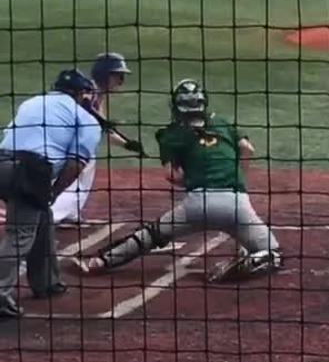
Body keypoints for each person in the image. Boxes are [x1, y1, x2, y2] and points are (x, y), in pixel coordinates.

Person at [74, 79, 281, 282]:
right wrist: (237, 176)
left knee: (151, 235)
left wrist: (193, 180)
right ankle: (244, 265)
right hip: (237, 205)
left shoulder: (170, 134)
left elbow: (172, 175)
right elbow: (247, 149)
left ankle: (99, 262)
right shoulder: (223, 124)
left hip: (197, 205)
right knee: (272, 252)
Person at [0, 69, 103, 317]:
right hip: (28, 172)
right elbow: (75, 165)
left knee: (42, 215)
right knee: (20, 234)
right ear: (82, 94)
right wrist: (53, 192)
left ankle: (46, 281)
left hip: (1, 164)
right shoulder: (86, 120)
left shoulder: (33, 102)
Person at [51, 51, 142, 226]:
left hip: (68, 139)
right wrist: (101, 121)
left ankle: (70, 213)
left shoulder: (98, 95)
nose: (121, 81)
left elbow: (103, 130)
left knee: (86, 163)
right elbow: (88, 112)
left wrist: (128, 145)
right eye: (118, 76)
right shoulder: (87, 90)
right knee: (81, 163)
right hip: (59, 138)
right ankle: (54, 214)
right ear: (105, 75)